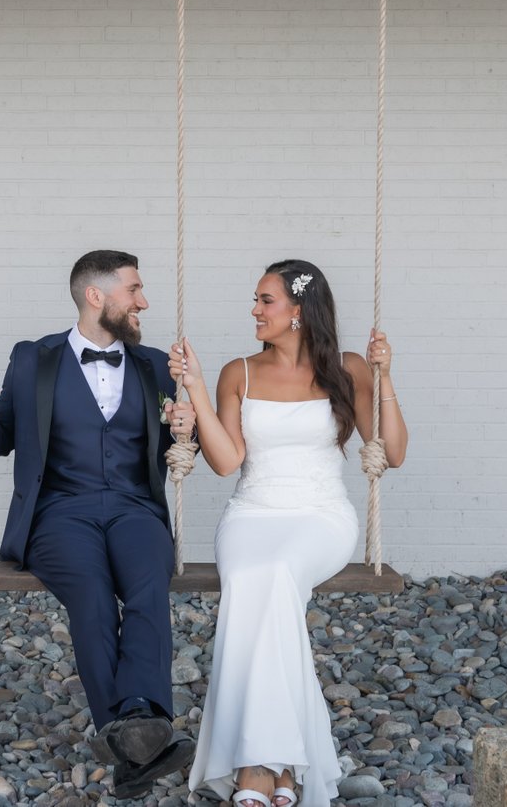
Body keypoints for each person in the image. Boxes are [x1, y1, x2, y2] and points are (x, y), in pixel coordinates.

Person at [0, 249, 200, 800]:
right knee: (89, 594)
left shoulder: (156, 364)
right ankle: (142, 734)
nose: (144, 302)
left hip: (136, 507)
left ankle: (133, 722)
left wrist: (189, 430)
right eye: (134, 290)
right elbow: (4, 436)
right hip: (60, 512)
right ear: (97, 296)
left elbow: (180, 441)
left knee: (146, 587)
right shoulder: (33, 358)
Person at [168, 259, 408, 807]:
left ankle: (256, 764)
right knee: (256, 576)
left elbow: (392, 452)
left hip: (320, 516)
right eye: (256, 300)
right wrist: (199, 389)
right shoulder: (239, 373)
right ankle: (286, 768)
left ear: (298, 311)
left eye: (265, 300)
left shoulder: (348, 368)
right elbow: (227, 463)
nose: (254, 310)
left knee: (272, 575)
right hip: (252, 513)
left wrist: (385, 376)